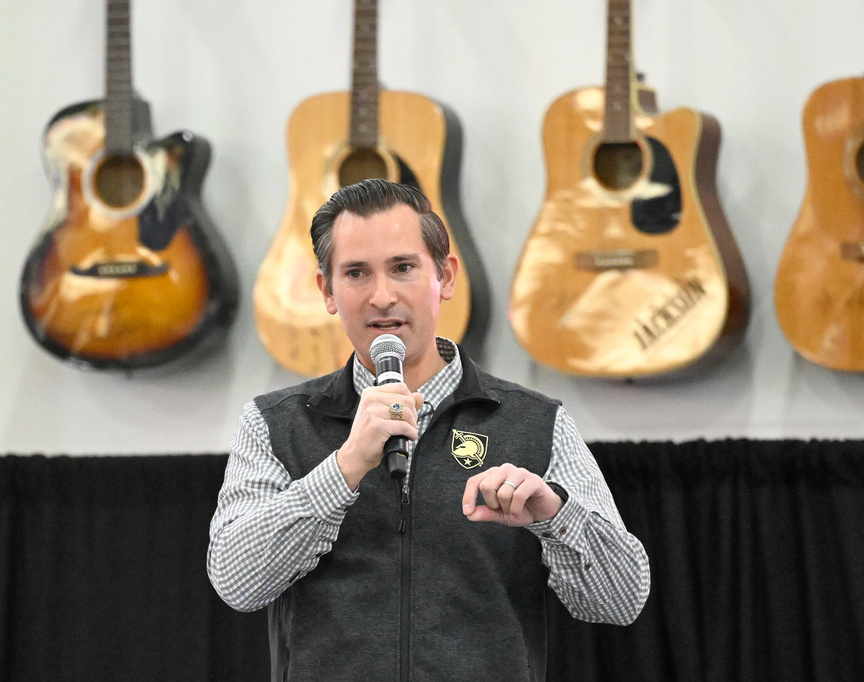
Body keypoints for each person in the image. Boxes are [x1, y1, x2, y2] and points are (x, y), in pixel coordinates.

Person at [207, 179, 650, 681]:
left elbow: (621, 600)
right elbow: (236, 581)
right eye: (356, 273)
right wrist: (346, 465)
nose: (381, 296)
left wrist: (554, 515)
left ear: (445, 276)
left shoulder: (534, 422)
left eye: (402, 268)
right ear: (326, 291)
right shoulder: (277, 422)